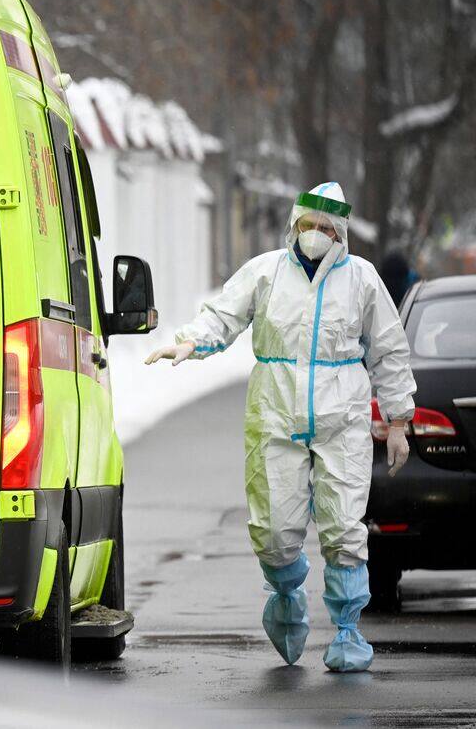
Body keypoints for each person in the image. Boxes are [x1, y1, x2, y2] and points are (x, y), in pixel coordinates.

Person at [145, 182, 416, 672]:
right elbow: (224, 315)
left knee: (343, 528)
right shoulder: (266, 271)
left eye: (326, 228)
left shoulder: (361, 279)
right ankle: (287, 593)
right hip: (275, 415)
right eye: (308, 225)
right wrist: (190, 342)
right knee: (272, 530)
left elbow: (389, 349)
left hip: (343, 420)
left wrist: (397, 420)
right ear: (294, 225)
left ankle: (348, 632)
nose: (316, 235)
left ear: (342, 234)